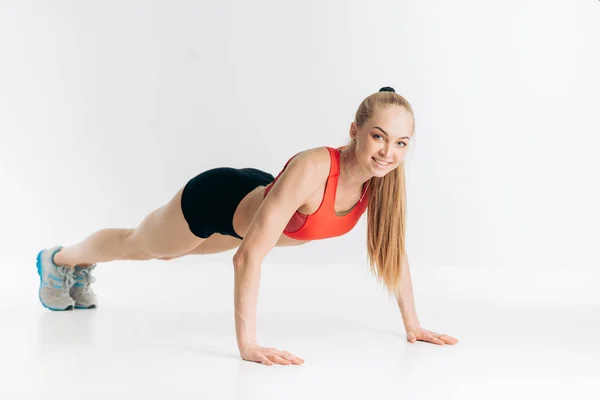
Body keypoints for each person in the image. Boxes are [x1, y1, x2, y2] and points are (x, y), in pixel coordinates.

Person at [35, 87, 459, 366]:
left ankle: (71, 264)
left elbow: (394, 252)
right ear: (355, 131)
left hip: (257, 204)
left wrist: (414, 325)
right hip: (216, 200)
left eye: (401, 143)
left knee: (170, 252)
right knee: (147, 247)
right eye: (378, 137)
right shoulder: (316, 166)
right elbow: (248, 257)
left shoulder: (380, 183)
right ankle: (59, 260)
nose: (388, 152)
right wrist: (248, 344)